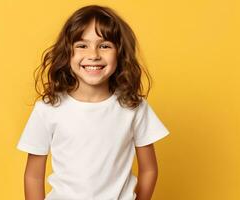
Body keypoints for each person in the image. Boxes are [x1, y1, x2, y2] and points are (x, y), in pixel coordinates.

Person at [16, 4, 170, 200]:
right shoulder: (48, 109)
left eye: (105, 45)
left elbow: (149, 170)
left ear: (119, 53)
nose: (94, 55)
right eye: (82, 45)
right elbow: (33, 176)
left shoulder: (133, 107)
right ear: (68, 52)